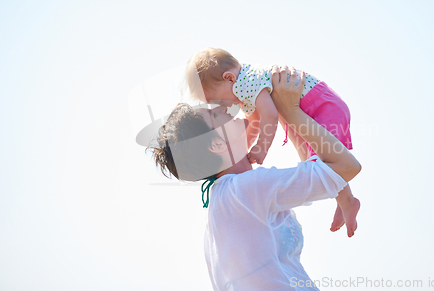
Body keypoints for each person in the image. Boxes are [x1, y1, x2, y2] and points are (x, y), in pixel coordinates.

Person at [148, 67, 362, 290]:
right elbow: (346, 167)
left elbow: (319, 167)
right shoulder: (241, 190)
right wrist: (292, 112)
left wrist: (285, 113)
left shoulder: (231, 195)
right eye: (214, 115)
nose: (226, 109)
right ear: (217, 144)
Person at [185, 47, 360, 236]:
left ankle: (347, 201)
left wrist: (260, 149)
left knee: (322, 162)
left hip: (320, 106)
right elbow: (254, 122)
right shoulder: (243, 86)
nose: (222, 107)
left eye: (218, 100)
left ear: (229, 78)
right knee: (315, 162)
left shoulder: (246, 84)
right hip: (312, 107)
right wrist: (247, 148)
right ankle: (345, 201)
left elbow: (269, 116)